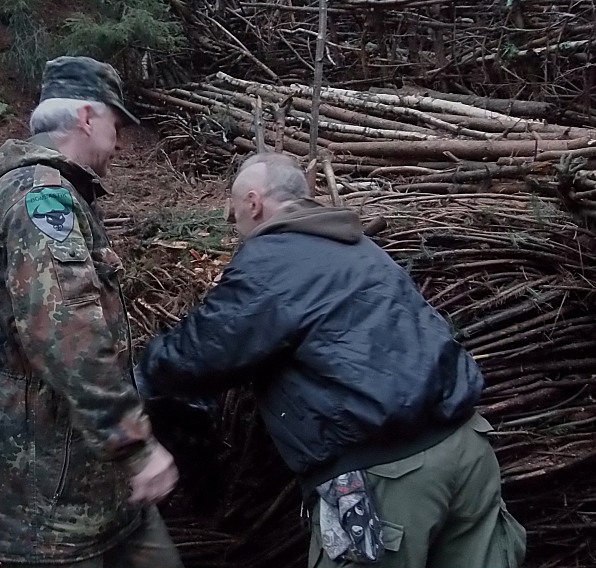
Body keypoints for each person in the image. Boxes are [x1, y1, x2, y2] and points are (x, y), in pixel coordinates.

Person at [138, 153, 527, 568]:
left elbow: (200, 353)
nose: (236, 228)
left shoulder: (271, 260)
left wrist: (137, 374)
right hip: (468, 450)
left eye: (234, 215)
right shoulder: (358, 245)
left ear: (253, 203)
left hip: (390, 478)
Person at [0, 56, 183, 568]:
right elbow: (70, 335)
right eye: (115, 124)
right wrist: (135, 446)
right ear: (86, 117)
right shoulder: (41, 199)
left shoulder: (59, 193)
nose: (119, 140)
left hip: (96, 480)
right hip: (49, 495)